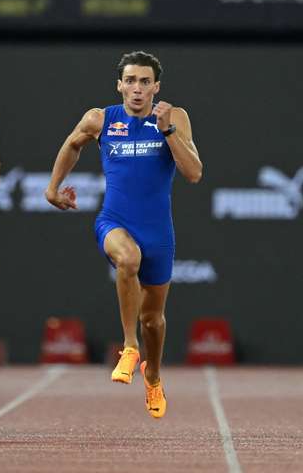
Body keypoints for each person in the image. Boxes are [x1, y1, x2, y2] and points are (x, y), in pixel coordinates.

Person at [45, 51, 202, 418]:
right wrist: (53, 188)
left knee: (154, 321)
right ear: (119, 85)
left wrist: (167, 130)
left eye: (144, 82)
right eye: (130, 81)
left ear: (156, 87)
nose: (136, 88)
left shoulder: (173, 117)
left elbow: (194, 172)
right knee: (127, 259)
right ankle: (129, 348)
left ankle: (154, 377)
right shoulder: (100, 119)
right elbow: (72, 144)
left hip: (158, 232)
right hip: (114, 220)